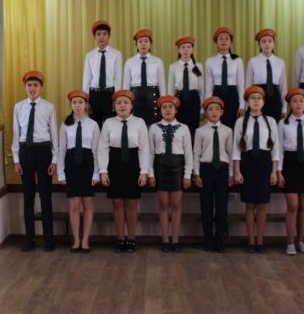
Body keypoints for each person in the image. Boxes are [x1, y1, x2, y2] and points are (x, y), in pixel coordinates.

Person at [11, 70, 59, 252]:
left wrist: (54, 160)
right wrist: (17, 160)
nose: (32, 88)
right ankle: (29, 239)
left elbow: (54, 134)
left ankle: (48, 240)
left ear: (41, 88)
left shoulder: (49, 107)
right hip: (26, 151)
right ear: (25, 88)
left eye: (36, 85)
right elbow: (16, 135)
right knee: (28, 197)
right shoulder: (18, 107)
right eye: (29, 85)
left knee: (46, 196)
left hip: (43, 151)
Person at [98, 89, 149, 253]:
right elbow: (103, 148)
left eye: (126, 102)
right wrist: (103, 170)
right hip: (114, 164)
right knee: (117, 203)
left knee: (132, 203)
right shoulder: (108, 123)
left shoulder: (140, 122)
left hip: (133, 164)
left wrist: (144, 171)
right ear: (114, 106)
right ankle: (120, 238)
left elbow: (144, 148)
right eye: (118, 103)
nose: (122, 105)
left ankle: (132, 239)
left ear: (131, 106)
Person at [233, 85, 279, 254]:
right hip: (248, 162)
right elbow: (236, 148)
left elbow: (275, 149)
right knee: (249, 203)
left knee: (261, 204)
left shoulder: (271, 121)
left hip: (264, 163)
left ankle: (260, 241)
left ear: (263, 102)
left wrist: (274, 171)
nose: (256, 101)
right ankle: (251, 241)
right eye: (252, 98)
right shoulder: (240, 122)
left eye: (259, 98)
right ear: (247, 102)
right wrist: (237, 170)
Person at [277, 88, 304, 255]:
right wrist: (279, 171)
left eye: (301, 101)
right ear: (289, 104)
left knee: (303, 206)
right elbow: (279, 149)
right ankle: (290, 242)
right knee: (292, 206)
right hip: (290, 163)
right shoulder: (283, 123)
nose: (298, 104)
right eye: (294, 101)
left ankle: (301, 241)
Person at [148, 95, 193, 253]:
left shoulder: (183, 128)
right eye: (164, 107)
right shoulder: (154, 128)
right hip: (160, 167)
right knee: (163, 204)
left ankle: (175, 239)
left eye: (171, 107)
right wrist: (150, 174)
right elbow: (150, 153)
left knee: (175, 205)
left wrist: (187, 175)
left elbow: (188, 153)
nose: (167, 110)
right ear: (160, 110)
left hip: (177, 167)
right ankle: (165, 239)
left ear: (176, 110)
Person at [57, 90, 100, 253]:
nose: (77, 106)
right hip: (71, 165)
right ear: (71, 105)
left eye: (80, 102)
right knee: (74, 205)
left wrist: (96, 173)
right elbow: (61, 150)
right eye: (74, 103)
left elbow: (96, 151)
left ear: (86, 105)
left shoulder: (93, 124)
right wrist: (61, 173)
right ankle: (76, 240)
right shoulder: (65, 124)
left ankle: (85, 240)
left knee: (87, 205)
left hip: (88, 165)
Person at [193, 96, 234, 253]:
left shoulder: (227, 131)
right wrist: (197, 174)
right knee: (206, 208)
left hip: (222, 170)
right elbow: (196, 153)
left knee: (222, 208)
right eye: (210, 109)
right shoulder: (200, 131)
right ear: (205, 112)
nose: (214, 112)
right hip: (206, 170)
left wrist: (231, 173)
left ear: (222, 112)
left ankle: (220, 240)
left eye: (217, 109)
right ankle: (208, 241)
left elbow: (230, 153)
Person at [83, 20, 122, 129]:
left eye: (104, 34)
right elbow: (86, 79)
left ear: (109, 36)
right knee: (94, 126)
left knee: (111, 125)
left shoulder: (116, 54)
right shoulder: (89, 55)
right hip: (94, 95)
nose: (101, 37)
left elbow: (117, 78)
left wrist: (117, 99)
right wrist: (86, 99)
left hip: (110, 95)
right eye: (98, 34)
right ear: (94, 37)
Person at [123, 29, 166, 126]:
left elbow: (162, 84)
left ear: (150, 44)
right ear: (136, 45)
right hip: (135, 97)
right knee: (136, 125)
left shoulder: (157, 61)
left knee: (153, 126)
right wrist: (125, 102)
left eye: (146, 41)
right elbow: (126, 85)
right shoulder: (130, 62)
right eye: (140, 41)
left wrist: (163, 102)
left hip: (152, 97)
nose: (143, 44)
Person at [205, 27, 245, 129]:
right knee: (217, 125)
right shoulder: (210, 61)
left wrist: (242, 105)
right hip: (217, 94)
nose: (223, 41)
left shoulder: (237, 60)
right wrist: (207, 104)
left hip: (232, 94)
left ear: (231, 42)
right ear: (216, 42)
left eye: (227, 38)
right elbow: (208, 85)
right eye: (221, 38)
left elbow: (241, 84)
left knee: (232, 125)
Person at [168, 35, 204, 139]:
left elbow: (202, 88)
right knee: (179, 131)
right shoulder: (173, 66)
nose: (186, 50)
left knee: (193, 131)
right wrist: (171, 106)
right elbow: (170, 88)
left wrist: (202, 108)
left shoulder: (198, 66)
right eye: (183, 47)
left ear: (192, 50)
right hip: (179, 100)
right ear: (179, 50)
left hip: (194, 100)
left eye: (188, 47)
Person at [246, 29, 286, 121]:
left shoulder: (280, 62)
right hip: (258, 97)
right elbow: (248, 85)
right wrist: (246, 105)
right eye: (263, 41)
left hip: (275, 98)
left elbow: (283, 86)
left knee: (274, 125)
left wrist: (284, 107)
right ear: (259, 44)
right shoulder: (253, 61)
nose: (267, 44)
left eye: (270, 41)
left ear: (274, 43)